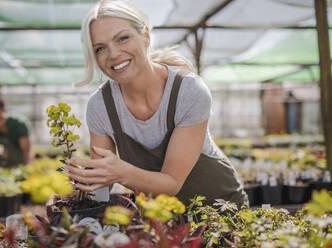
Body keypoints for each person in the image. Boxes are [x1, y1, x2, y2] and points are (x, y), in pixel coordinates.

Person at [66, 0, 248, 208]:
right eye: (100, 48)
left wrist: (119, 172)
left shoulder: (188, 91)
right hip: (160, 218)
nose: (113, 54)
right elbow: (101, 185)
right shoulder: (100, 106)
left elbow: (172, 182)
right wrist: (81, 191)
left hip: (220, 211)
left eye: (123, 39)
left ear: (145, 35)